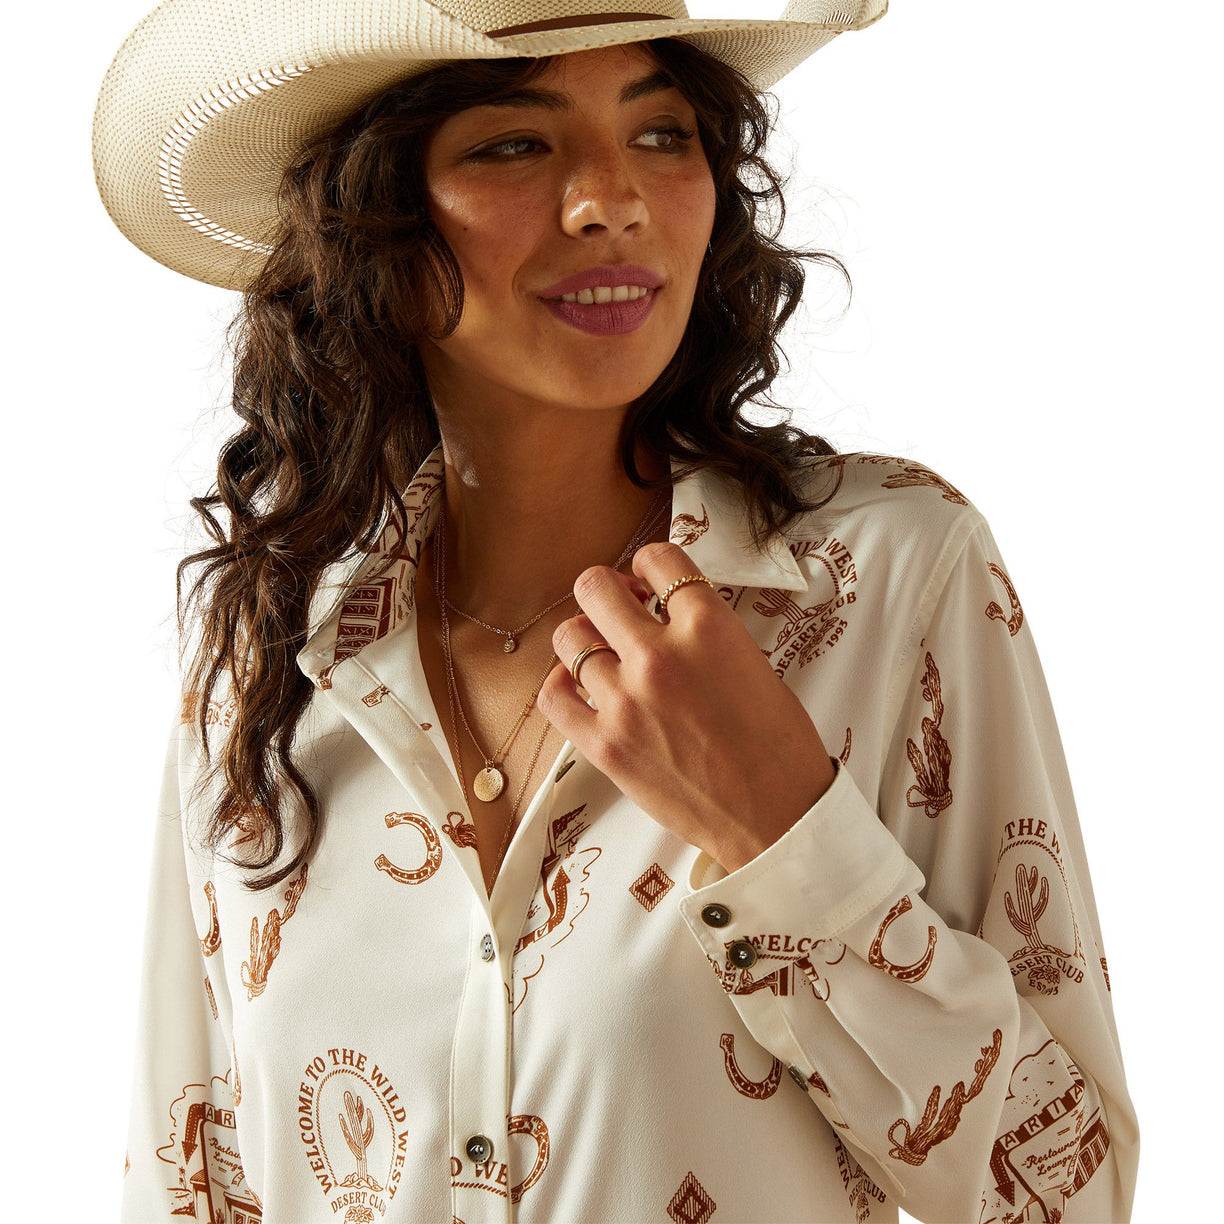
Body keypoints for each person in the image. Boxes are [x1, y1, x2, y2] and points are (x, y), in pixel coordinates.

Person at [94, 1, 1138, 1221]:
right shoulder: (270, 648)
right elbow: (191, 1181)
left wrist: (787, 836)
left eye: (662, 133)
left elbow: (1068, 1194)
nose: (611, 202)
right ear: (370, 216)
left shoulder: (891, 582)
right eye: (513, 146)